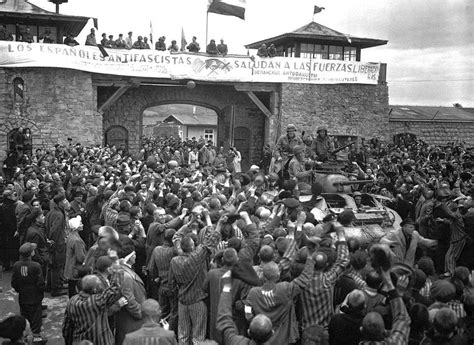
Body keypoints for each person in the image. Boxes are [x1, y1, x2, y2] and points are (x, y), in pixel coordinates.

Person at [168, 210, 220, 344]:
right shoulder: (196, 257)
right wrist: (218, 223)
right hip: (197, 300)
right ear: (193, 246)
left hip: (182, 301)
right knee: (198, 334)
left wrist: (190, 222)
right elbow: (211, 241)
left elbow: (176, 236)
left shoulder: (175, 260)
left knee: (183, 334)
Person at [298, 222, 350, 345]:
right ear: (326, 265)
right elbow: (343, 260)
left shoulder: (300, 281)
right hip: (324, 332)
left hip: (305, 331)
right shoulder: (328, 280)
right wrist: (341, 234)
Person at [63, 256, 127, 345]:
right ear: (95, 290)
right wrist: (119, 269)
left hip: (80, 341)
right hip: (100, 341)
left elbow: (67, 327)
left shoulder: (72, 301)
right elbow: (114, 288)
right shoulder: (96, 301)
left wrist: (69, 342)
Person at [359, 264, 411, 344]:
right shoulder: (396, 342)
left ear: (361, 330)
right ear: (384, 332)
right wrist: (395, 289)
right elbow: (402, 318)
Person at [11, 242, 46, 344]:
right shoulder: (36, 266)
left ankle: (24, 336)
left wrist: (20, 290)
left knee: (24, 315)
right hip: (35, 296)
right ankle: (36, 336)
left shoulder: (16, 265)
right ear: (31, 253)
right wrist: (41, 291)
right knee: (36, 316)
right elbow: (40, 283)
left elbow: (14, 282)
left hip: (23, 296)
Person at [45, 193, 70, 296]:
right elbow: (54, 230)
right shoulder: (59, 215)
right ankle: (56, 289)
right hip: (57, 244)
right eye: (65, 201)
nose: (66, 202)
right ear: (60, 203)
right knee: (57, 266)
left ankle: (50, 286)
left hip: (53, 243)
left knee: (52, 265)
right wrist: (53, 243)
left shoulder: (52, 212)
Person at [64, 215, 86, 298]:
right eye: (80, 223)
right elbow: (80, 257)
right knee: (75, 293)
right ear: (76, 227)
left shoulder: (70, 236)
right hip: (75, 269)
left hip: (70, 267)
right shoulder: (77, 240)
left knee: (71, 289)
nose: (82, 225)